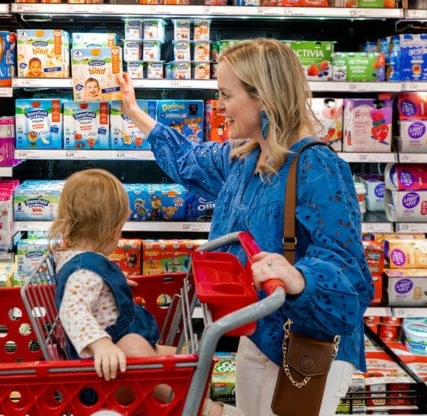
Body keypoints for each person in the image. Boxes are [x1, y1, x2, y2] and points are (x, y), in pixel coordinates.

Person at [116, 38, 374, 416]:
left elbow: (351, 277)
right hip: (258, 330)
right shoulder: (242, 156)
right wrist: (134, 111)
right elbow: (187, 160)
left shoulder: (316, 167)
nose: (219, 107)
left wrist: (299, 279)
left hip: (308, 346)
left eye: (226, 94)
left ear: (264, 97)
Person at [48, 168, 237, 416]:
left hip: (117, 362)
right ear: (109, 228)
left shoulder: (85, 265)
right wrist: (101, 344)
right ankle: (193, 407)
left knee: (184, 359)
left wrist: (114, 283)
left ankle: (190, 399)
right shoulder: (84, 272)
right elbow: (72, 310)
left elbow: (90, 292)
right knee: (137, 347)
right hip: (103, 374)